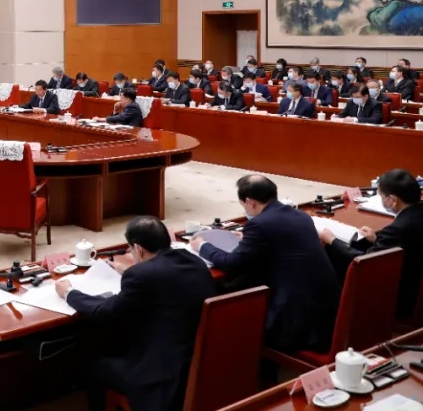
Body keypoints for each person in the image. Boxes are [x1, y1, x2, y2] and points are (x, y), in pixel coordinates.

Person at [58, 217, 215, 411]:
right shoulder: (194, 262)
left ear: (138, 249)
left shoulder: (142, 275)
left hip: (159, 377)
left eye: (131, 249)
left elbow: (106, 312)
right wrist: (129, 271)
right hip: (196, 364)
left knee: (93, 361)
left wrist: (69, 293)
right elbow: (163, 277)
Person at [193, 175, 339, 353]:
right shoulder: (301, 215)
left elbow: (231, 264)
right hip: (326, 314)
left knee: (228, 305)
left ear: (249, 202)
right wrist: (250, 239)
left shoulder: (259, 224)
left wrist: (203, 246)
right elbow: (280, 240)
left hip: (294, 322)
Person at [318, 168, 423, 318]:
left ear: (393, 200)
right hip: (415, 282)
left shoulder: (397, 230)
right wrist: (376, 240)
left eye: (381, 196)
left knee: (331, 262)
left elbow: (366, 263)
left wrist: (332, 240)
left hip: (400, 297)